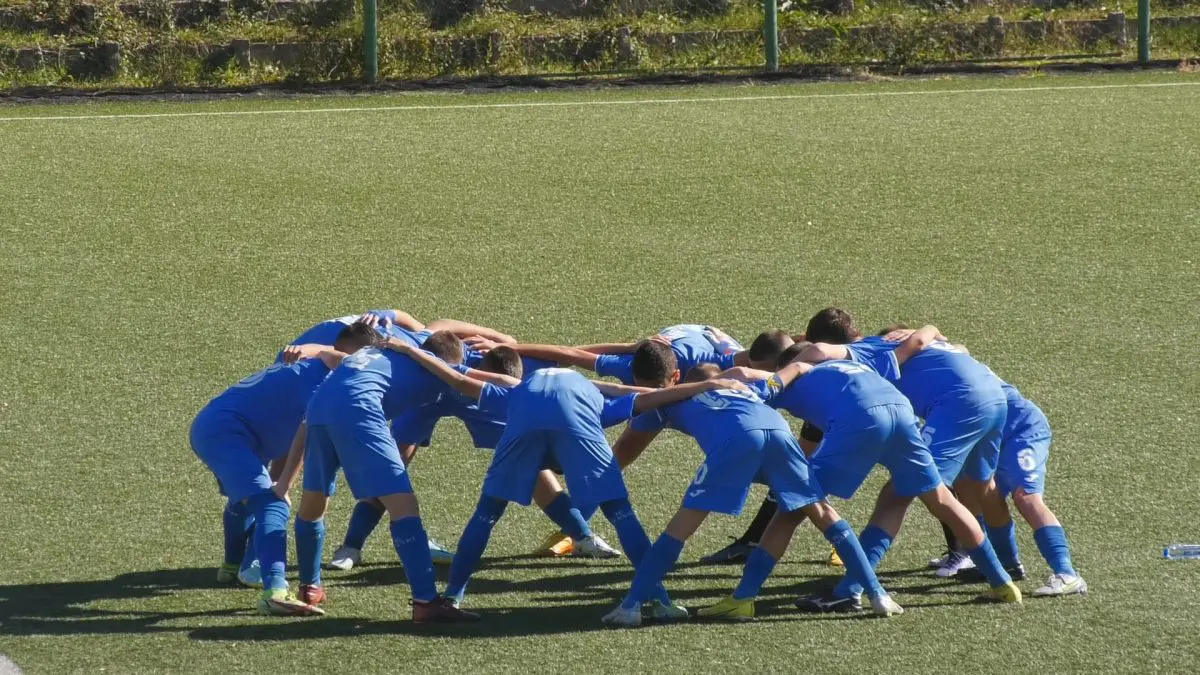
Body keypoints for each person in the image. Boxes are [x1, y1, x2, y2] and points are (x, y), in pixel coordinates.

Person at [387, 340, 728, 621]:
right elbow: (642, 398)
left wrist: (411, 351)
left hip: (525, 419)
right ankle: (659, 598)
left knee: (486, 513)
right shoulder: (595, 398)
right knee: (620, 512)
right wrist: (706, 385)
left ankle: (452, 597)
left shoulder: (519, 391)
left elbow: (460, 380)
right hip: (578, 418)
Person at [600, 362, 903, 627]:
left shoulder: (672, 400)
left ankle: (631, 606)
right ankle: (877, 594)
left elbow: (635, 396)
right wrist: (800, 366)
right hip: (780, 433)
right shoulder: (749, 390)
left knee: (682, 525)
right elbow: (783, 376)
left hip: (738, 437)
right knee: (822, 512)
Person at [326, 347, 620, 571]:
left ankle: (583, 537)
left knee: (528, 459)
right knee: (391, 472)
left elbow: (500, 376)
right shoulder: (432, 357)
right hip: (424, 401)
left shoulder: (484, 365)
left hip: (478, 400)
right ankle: (351, 547)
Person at [793, 325, 1022, 606]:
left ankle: (850, 589)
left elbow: (819, 350)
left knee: (898, 495)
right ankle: (1007, 566)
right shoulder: (906, 343)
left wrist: (791, 368)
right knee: (981, 484)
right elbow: (955, 349)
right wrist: (930, 330)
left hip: (961, 403)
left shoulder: (868, 349)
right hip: (995, 398)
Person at [276, 329, 481, 622]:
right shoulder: (431, 364)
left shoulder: (378, 353)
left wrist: (308, 349)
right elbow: (475, 384)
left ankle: (310, 587)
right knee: (403, 505)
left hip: (319, 409)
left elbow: (332, 356)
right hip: (360, 409)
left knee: (314, 500)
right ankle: (426, 602)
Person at [190, 321, 378, 616]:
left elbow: (294, 431)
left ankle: (230, 566)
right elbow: (305, 433)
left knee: (247, 499)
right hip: (227, 433)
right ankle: (275, 592)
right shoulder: (329, 380)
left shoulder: (313, 367)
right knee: (272, 504)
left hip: (221, 427)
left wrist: (281, 480)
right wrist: (283, 486)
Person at [947, 377, 1087, 596]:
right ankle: (1006, 564)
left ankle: (1067, 574)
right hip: (986, 433)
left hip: (1020, 428)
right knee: (970, 487)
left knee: (1026, 496)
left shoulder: (931, 363)